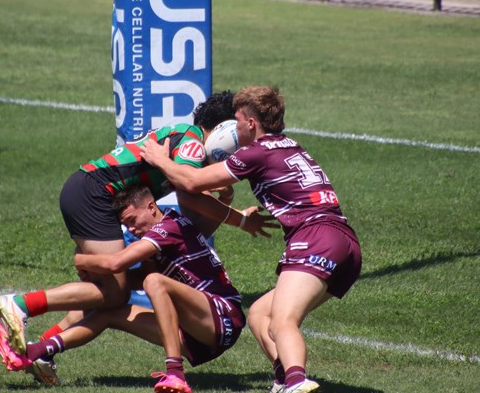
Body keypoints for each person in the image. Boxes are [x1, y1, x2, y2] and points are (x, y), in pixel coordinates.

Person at [0, 91, 274, 384]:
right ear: (223, 126)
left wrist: (225, 197)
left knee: (108, 296)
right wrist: (239, 218)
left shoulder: (183, 148)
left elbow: (193, 210)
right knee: (115, 292)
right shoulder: (192, 143)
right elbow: (189, 189)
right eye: (237, 130)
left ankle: (41, 350)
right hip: (94, 193)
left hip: (90, 192)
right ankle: (21, 305)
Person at [141, 85, 362, 393]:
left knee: (282, 320)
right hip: (345, 243)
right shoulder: (289, 144)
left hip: (315, 236)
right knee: (260, 313)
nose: (231, 127)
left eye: (236, 119)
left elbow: (190, 181)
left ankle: (297, 382)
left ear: (250, 124)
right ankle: (283, 378)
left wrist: (159, 159)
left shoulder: (255, 152)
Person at [0, 184, 247, 393]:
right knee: (109, 311)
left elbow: (116, 262)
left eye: (134, 221)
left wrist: (81, 259)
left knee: (154, 282)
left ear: (151, 206)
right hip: (196, 334)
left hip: (224, 316)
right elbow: (132, 278)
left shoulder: (166, 227)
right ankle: (35, 353)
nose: (132, 230)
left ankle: (175, 374)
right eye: (128, 225)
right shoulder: (158, 238)